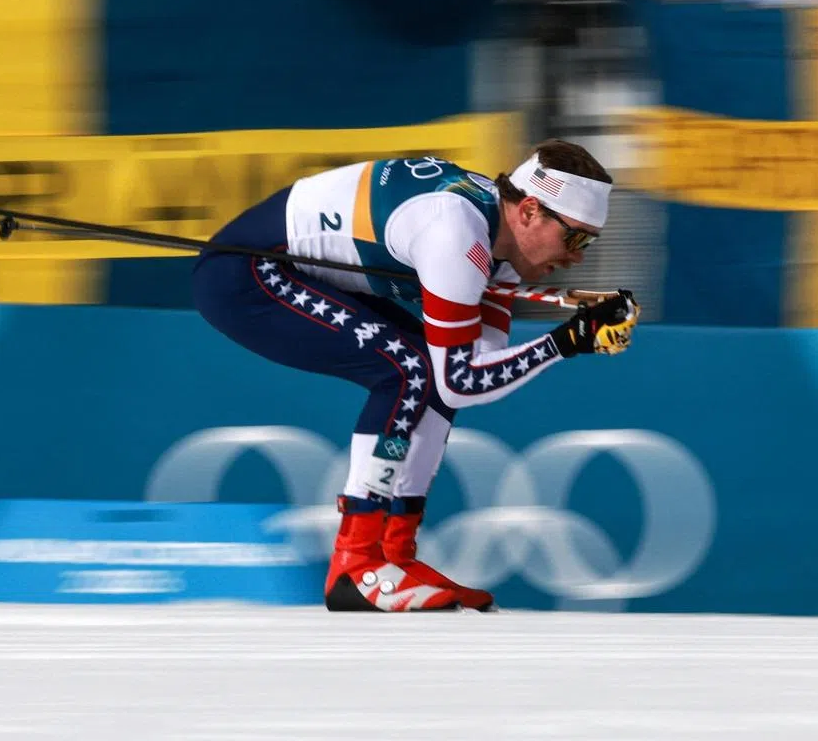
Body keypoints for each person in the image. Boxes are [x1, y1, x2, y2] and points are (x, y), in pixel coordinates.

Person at [191, 140, 639, 612]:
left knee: (430, 369)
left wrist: (568, 334)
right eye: (576, 239)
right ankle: (354, 563)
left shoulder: (498, 245)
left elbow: (476, 369)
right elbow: (462, 380)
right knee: (407, 370)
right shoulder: (458, 234)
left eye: (590, 242)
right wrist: (565, 343)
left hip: (291, 268)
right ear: (529, 211)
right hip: (246, 274)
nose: (578, 258)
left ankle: (392, 555)